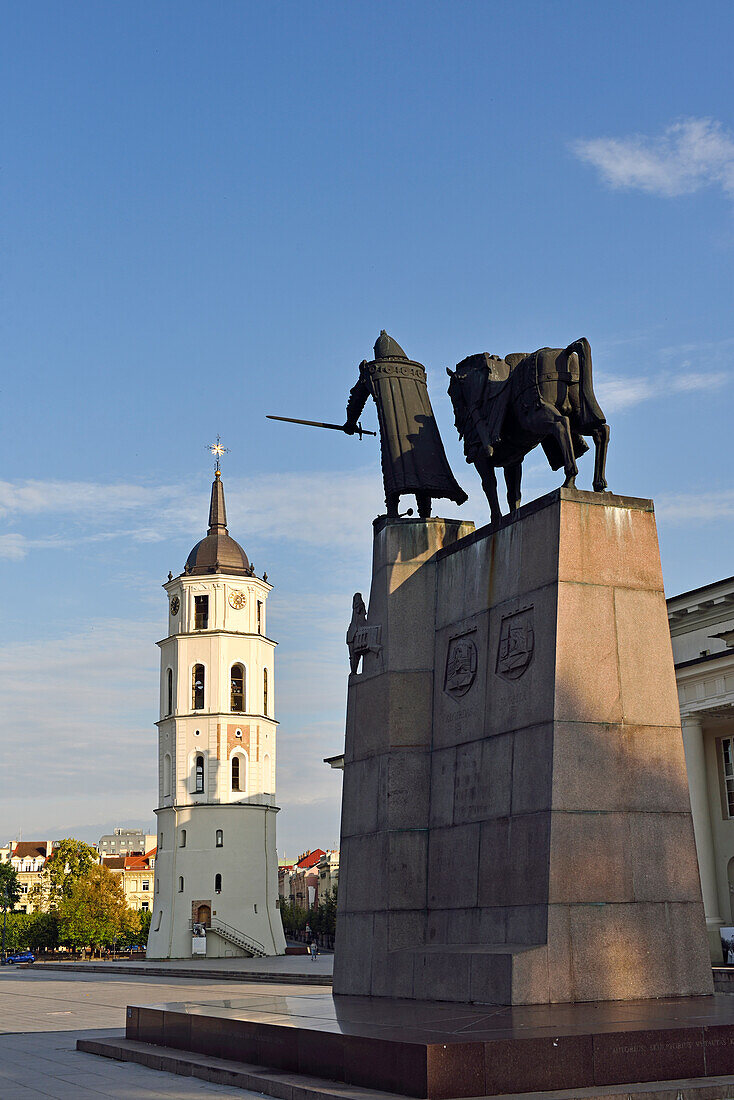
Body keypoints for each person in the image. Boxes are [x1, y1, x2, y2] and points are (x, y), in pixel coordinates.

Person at [344, 331, 467, 518]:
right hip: (424, 436)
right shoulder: (416, 373)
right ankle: (425, 513)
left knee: (393, 460)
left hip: (394, 431)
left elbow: (357, 398)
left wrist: (350, 424)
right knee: (424, 461)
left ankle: (392, 511)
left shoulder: (373, 370)